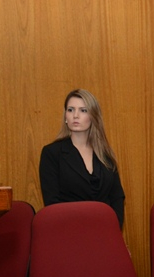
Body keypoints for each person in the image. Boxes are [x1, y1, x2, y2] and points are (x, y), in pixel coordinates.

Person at [38, 89, 125, 227]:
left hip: (105, 230)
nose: (75, 115)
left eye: (83, 110)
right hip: (68, 230)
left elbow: (117, 197)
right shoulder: (52, 153)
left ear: (93, 116)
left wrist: (113, 227)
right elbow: (52, 203)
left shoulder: (105, 155)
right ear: (65, 116)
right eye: (70, 110)